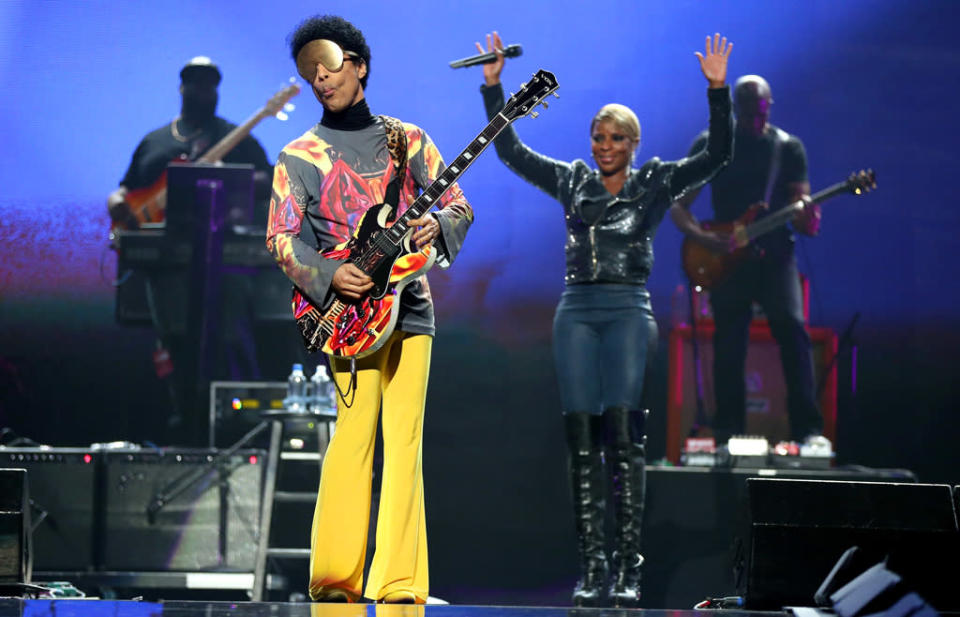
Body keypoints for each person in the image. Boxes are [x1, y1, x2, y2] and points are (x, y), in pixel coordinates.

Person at [475, 32, 733, 607]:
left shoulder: (656, 181)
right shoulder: (570, 180)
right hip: (578, 311)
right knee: (582, 441)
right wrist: (493, 87)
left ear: (634, 143)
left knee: (625, 439)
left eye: (617, 137)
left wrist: (718, 92)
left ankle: (628, 569)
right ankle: (592, 567)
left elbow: (716, 157)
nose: (605, 145)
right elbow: (512, 152)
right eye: (598, 136)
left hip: (626, 309)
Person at [266, 15, 473, 604]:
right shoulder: (299, 154)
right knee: (353, 436)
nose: (321, 80)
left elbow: (458, 204)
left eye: (330, 67)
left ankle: (400, 582)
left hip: (411, 305)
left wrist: (440, 221)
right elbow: (281, 238)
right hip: (348, 315)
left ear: (359, 64)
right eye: (311, 73)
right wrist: (333, 273)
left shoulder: (409, 140)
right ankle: (334, 579)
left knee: (405, 440)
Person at [106, 57, 275, 443]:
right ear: (182, 88)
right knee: (175, 342)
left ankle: (230, 432)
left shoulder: (239, 139)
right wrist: (116, 203)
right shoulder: (156, 141)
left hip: (226, 265)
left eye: (211, 84)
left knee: (230, 341)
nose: (204, 91)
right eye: (196, 84)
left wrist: (246, 180)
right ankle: (179, 427)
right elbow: (126, 188)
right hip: (167, 264)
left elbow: (268, 184)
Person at [669, 74, 824, 447]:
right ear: (736, 109)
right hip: (727, 259)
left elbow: (807, 221)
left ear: (769, 107)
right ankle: (728, 433)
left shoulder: (787, 148)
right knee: (728, 345)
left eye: (762, 112)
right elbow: (678, 205)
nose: (756, 120)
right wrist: (706, 238)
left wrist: (808, 215)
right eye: (748, 113)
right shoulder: (712, 144)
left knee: (792, 331)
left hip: (776, 257)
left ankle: (808, 431)